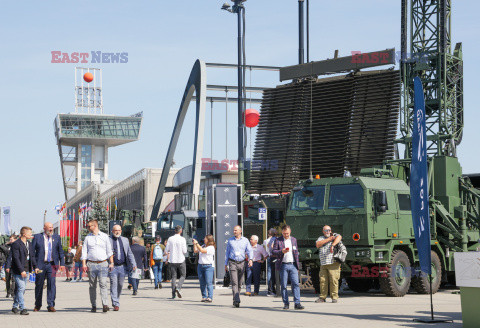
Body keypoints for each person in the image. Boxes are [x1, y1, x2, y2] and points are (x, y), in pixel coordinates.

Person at [81, 219, 114, 313]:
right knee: (92, 286)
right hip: (91, 264)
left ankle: (105, 304)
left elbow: (109, 251)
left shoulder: (104, 236)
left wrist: (111, 263)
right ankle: (94, 305)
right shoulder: (88, 238)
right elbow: (84, 252)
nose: (87, 228)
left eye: (89, 226)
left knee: (103, 284)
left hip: (103, 264)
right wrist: (84, 264)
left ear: (94, 226)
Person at [32, 222, 65, 312]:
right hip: (40, 265)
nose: (51, 229)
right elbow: (32, 253)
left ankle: (51, 305)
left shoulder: (56, 237)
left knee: (52, 284)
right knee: (39, 285)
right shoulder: (37, 237)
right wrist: (35, 266)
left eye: (52, 227)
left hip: (52, 265)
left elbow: (60, 252)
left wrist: (62, 263)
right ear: (44, 228)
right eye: (49, 227)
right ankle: (37, 305)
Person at [272, 225, 304, 310]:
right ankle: (286, 303)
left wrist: (297, 266)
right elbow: (273, 251)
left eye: (287, 233)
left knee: (296, 284)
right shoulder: (278, 240)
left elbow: (296, 252)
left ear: (290, 232)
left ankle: (297, 303)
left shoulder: (293, 240)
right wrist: (281, 251)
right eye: (284, 233)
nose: (286, 235)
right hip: (283, 265)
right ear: (282, 232)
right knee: (284, 285)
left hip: (293, 264)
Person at [225, 225, 253, 308]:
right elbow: (227, 252)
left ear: (240, 231)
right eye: (234, 230)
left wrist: (250, 259)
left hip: (242, 262)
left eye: (236, 230)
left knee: (240, 282)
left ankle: (236, 297)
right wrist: (225, 264)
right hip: (232, 262)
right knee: (234, 282)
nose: (234, 232)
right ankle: (236, 299)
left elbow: (249, 250)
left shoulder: (245, 240)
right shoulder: (230, 240)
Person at [109, 225, 136, 310]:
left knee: (120, 285)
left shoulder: (125, 240)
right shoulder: (108, 240)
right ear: (112, 231)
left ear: (121, 231)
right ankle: (115, 303)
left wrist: (134, 264)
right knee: (113, 284)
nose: (117, 232)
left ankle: (116, 299)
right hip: (112, 266)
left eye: (119, 230)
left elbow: (129, 253)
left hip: (122, 267)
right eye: (115, 230)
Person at [10, 226, 36, 315]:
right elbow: (16, 258)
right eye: (30, 233)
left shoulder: (29, 243)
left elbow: (32, 256)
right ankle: (22, 308)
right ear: (24, 234)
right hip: (18, 270)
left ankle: (14, 306)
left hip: (27, 269)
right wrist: (21, 270)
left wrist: (35, 267)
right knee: (21, 288)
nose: (31, 234)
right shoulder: (16, 244)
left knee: (21, 290)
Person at [315, 225, 342, 303]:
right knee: (323, 281)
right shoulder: (321, 238)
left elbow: (339, 237)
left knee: (334, 280)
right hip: (323, 263)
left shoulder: (335, 235)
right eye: (326, 230)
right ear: (323, 231)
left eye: (329, 230)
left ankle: (334, 297)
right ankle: (322, 297)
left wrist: (333, 245)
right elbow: (318, 244)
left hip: (333, 262)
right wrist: (329, 239)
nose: (328, 232)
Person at [165, 225, 187, 299]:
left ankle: (173, 294)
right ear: (181, 231)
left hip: (172, 260)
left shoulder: (170, 239)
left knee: (173, 277)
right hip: (181, 259)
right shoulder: (183, 239)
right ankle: (179, 287)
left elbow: (166, 249)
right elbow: (185, 251)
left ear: (175, 231)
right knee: (183, 275)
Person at [193, 235, 215, 302]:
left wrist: (197, 243)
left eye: (205, 238)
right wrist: (194, 244)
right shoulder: (203, 245)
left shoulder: (211, 247)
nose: (204, 239)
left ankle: (210, 297)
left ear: (208, 240)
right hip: (200, 266)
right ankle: (204, 296)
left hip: (208, 266)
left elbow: (202, 251)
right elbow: (196, 251)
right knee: (202, 283)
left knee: (209, 282)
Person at [263, 228, 277, 296]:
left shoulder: (266, 241)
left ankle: (270, 289)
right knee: (273, 274)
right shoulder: (274, 239)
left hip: (269, 256)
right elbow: (272, 247)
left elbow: (267, 248)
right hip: (273, 257)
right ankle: (271, 289)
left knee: (270, 273)